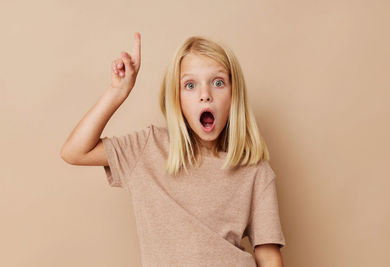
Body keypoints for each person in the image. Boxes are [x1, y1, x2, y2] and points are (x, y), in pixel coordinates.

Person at [60, 32, 286, 267]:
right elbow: (75, 152)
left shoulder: (256, 171)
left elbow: (268, 256)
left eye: (218, 82)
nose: (205, 96)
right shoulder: (146, 148)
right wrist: (118, 91)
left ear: (233, 93)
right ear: (176, 98)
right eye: (190, 85)